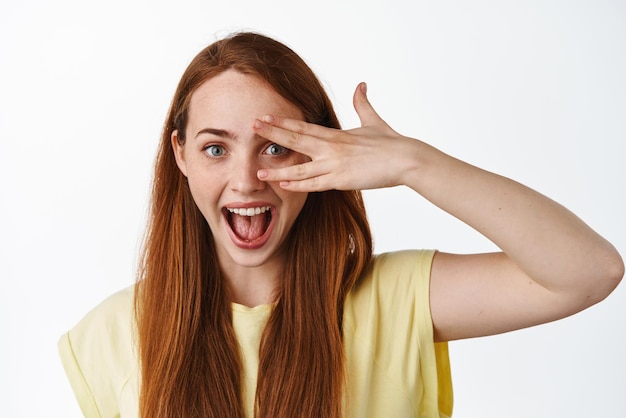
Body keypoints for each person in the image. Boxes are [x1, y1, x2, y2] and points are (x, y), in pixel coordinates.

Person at [58, 31, 623, 418]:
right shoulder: (108, 338)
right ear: (180, 155)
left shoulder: (395, 300)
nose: (248, 179)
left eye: (277, 147)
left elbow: (588, 271)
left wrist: (412, 162)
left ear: (319, 152)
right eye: (215, 149)